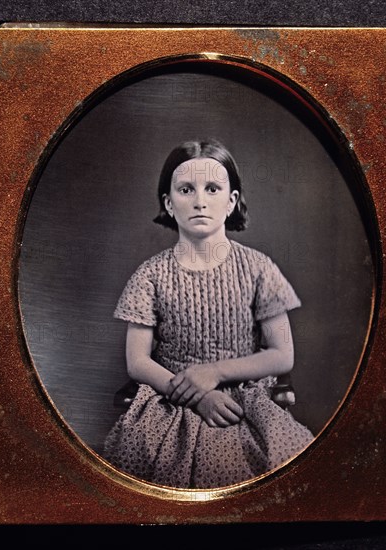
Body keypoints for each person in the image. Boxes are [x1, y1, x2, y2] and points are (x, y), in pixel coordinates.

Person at [103, 138, 314, 489]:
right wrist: (197, 394)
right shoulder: (150, 275)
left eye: (212, 188)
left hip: (244, 401)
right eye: (186, 189)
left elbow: (283, 353)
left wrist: (215, 372)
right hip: (171, 399)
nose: (200, 201)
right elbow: (137, 362)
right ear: (168, 204)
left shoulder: (259, 269)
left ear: (231, 201)